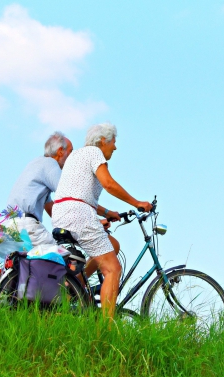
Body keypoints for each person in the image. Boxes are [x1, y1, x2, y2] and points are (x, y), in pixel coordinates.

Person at [52, 123, 152, 318]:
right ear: (103, 141)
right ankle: (106, 330)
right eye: (114, 142)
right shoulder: (94, 152)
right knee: (113, 269)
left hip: (63, 213)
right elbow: (108, 183)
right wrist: (137, 202)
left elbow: (77, 193)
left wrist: (106, 213)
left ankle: (75, 287)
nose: (115, 147)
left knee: (112, 245)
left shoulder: (76, 156)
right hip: (78, 214)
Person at [6, 132, 73, 246]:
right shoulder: (50, 164)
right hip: (26, 225)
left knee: (30, 262)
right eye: (71, 152)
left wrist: (71, 224)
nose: (72, 157)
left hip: (10, 225)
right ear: (60, 151)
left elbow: (50, 207)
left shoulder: (36, 163)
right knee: (62, 258)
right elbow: (70, 195)